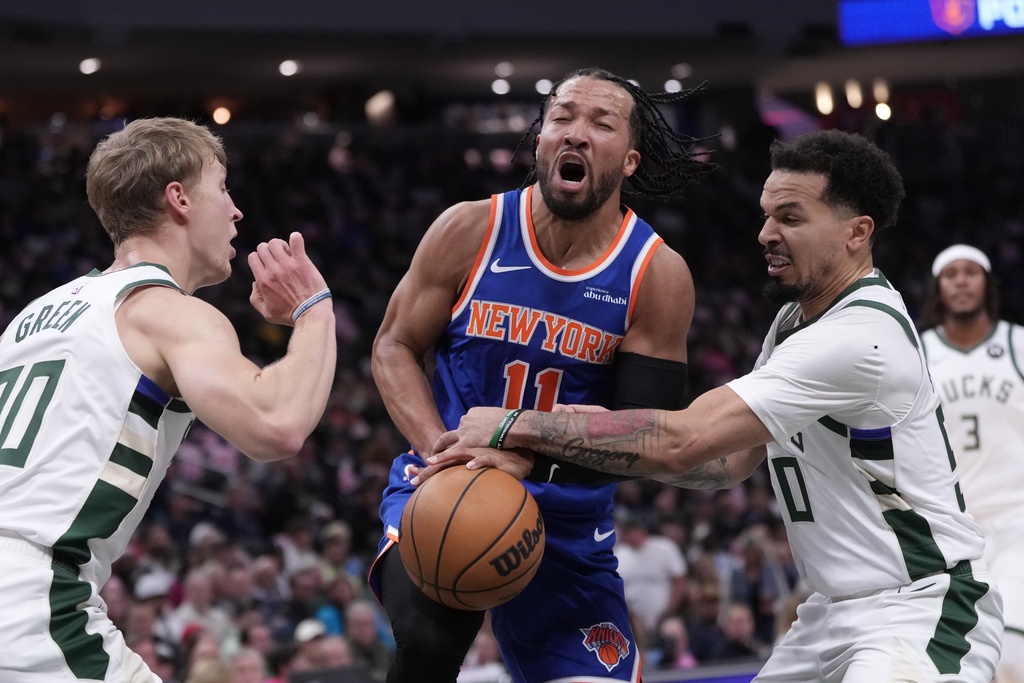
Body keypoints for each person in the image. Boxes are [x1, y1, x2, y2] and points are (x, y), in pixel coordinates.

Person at [429, 129, 1004, 680]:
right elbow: (726, 463)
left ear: (857, 232)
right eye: (766, 214)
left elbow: (683, 442)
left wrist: (517, 424)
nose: (765, 233)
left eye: (790, 217)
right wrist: (590, 440)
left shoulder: (861, 338)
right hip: (833, 612)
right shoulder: (794, 323)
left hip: (920, 606)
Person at [369, 67, 712, 683]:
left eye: (601, 124)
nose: (576, 133)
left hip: (569, 524)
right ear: (540, 140)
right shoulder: (470, 229)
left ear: (629, 161)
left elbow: (642, 440)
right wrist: (438, 447)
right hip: (448, 487)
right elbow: (394, 344)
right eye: (562, 117)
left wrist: (526, 453)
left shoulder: (655, 274)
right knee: (425, 645)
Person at [0, 117, 337, 682]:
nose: (236, 211)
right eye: (223, 188)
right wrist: (315, 309)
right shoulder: (166, 311)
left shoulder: (33, 316)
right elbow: (278, 426)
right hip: (32, 598)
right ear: (178, 198)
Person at [919, 243, 1024, 682]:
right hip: (949, 527)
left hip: (1017, 519)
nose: (961, 281)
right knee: (958, 663)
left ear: (986, 283)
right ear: (938, 289)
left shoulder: (1018, 343)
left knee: (1011, 653)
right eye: (951, 274)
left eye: (971, 272)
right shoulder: (917, 351)